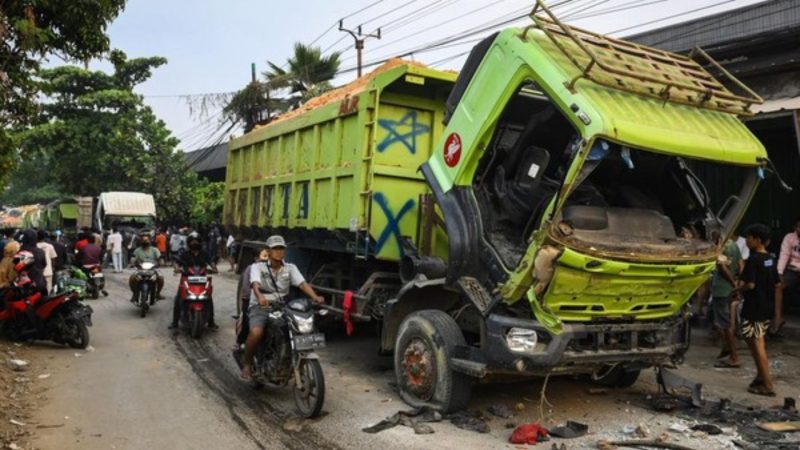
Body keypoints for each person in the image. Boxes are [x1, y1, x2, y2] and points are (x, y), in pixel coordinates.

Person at [240, 235, 324, 380]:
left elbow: (302, 284)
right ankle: (247, 364)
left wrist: (315, 297)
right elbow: (255, 284)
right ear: (268, 251)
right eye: (275, 248)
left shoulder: (291, 268)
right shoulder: (257, 267)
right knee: (256, 332)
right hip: (260, 306)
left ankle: (287, 358)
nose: (279, 251)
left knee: (297, 329)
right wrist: (260, 296)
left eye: (281, 248)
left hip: (282, 306)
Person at [734, 224, 780, 397]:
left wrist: (736, 291)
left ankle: (767, 384)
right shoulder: (770, 259)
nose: (747, 240)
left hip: (754, 307)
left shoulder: (753, 260)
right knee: (754, 339)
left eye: (750, 237)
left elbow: (750, 284)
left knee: (757, 343)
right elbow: (777, 283)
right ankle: (761, 377)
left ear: (757, 240)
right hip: (766, 306)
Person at [169, 232, 218, 332]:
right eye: (192, 241)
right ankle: (175, 323)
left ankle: (211, 322)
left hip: (202, 280)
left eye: (196, 241)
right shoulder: (184, 254)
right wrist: (177, 268)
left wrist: (214, 268)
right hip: (186, 279)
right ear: (188, 242)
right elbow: (177, 263)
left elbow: (211, 262)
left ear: (200, 242)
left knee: (209, 299)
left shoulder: (204, 253)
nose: (194, 243)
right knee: (179, 299)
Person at [711, 236, 743, 368]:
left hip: (721, 288)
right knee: (728, 321)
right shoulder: (734, 245)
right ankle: (727, 349)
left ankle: (733, 356)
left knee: (724, 324)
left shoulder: (721, 247)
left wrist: (733, 283)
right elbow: (741, 264)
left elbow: (722, 268)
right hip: (730, 288)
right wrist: (737, 282)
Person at [235, 247, 270, 346]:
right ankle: (241, 342)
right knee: (247, 320)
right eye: (264, 256)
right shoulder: (251, 268)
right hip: (251, 300)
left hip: (268, 300)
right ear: (256, 258)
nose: (267, 259)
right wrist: (249, 298)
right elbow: (246, 287)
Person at [776, 217, 800, 334]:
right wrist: (779, 273)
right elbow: (784, 255)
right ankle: (778, 318)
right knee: (778, 286)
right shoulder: (789, 237)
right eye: (799, 227)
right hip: (793, 270)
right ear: (795, 228)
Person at [129, 234, 164, 302]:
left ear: (150, 241)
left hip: (153, 269)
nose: (145, 241)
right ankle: (134, 293)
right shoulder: (137, 250)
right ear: (141, 241)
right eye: (144, 240)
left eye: (147, 240)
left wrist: (161, 262)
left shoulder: (155, 250)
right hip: (140, 269)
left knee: (161, 278)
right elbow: (133, 258)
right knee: (132, 278)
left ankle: (158, 293)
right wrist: (132, 262)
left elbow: (160, 258)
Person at [18, 229, 48, 298]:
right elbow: (44, 265)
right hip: (39, 282)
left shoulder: (21, 251)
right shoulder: (40, 251)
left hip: (25, 285)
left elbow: (17, 268)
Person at [36, 230, 58, 295]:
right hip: (48, 271)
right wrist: (53, 267)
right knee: (48, 289)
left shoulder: (35, 246)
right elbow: (53, 258)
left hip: (37, 272)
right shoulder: (50, 246)